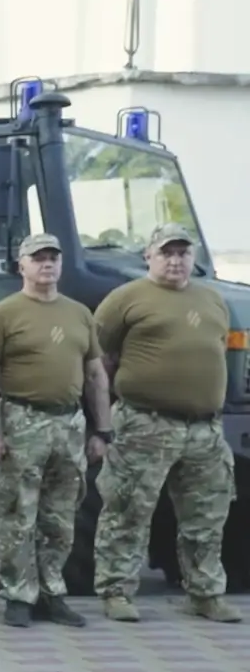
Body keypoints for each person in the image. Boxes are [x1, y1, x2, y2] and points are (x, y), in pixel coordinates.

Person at [92, 222, 242, 624]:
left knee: (207, 517)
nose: (175, 261)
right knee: (127, 511)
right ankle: (116, 591)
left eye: (182, 253)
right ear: (149, 256)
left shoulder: (213, 301)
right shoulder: (124, 299)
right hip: (145, 424)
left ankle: (205, 593)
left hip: (204, 431)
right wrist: (103, 419)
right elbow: (99, 362)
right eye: (167, 253)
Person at [0, 233, 109, 629]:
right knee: (18, 512)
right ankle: (18, 594)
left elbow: (96, 374)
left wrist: (103, 430)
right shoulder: (3, 314)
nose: (46, 264)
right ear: (22, 265)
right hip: (22, 420)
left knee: (61, 516)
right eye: (38, 258)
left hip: (69, 424)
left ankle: (52, 592)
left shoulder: (80, 314)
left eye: (53, 257)